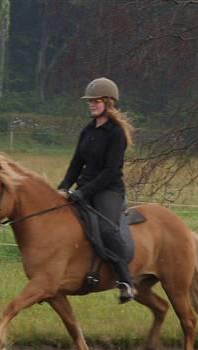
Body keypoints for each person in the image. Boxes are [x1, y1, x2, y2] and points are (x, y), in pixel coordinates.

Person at [58, 77, 137, 303]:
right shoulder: (87, 130)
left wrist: (83, 192)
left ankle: (125, 280)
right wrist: (64, 187)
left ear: (109, 102)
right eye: (90, 101)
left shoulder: (116, 134)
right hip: (85, 188)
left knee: (106, 228)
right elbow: (76, 164)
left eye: (96, 101)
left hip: (108, 190)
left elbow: (111, 171)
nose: (91, 104)